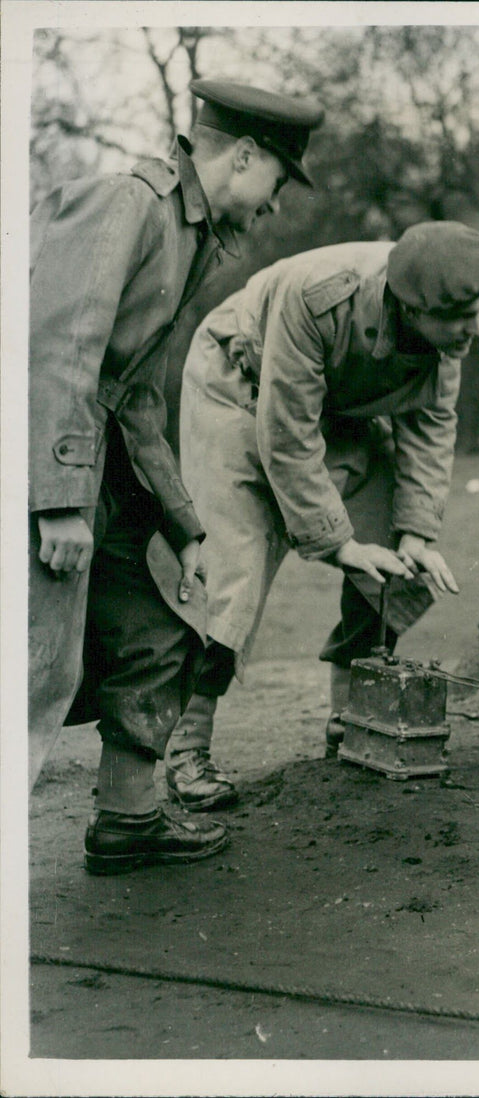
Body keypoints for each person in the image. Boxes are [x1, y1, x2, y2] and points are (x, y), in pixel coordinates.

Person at [28, 78, 324, 874]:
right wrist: (56, 502)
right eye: (277, 182)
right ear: (245, 155)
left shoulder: (189, 234)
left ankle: (127, 821)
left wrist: (183, 523)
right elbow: (56, 352)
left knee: (159, 625)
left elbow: (136, 398)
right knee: (26, 668)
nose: (274, 207)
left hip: (101, 465)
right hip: (43, 459)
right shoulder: (127, 204)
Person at [167, 221, 479, 810]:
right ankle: (186, 747)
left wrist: (416, 533)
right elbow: (286, 436)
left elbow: (430, 426)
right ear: (412, 308)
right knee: (231, 569)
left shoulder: (444, 331)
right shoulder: (315, 296)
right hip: (237, 386)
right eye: (460, 318)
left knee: (395, 565)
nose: (474, 329)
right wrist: (338, 544)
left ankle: (355, 717)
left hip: (331, 407)